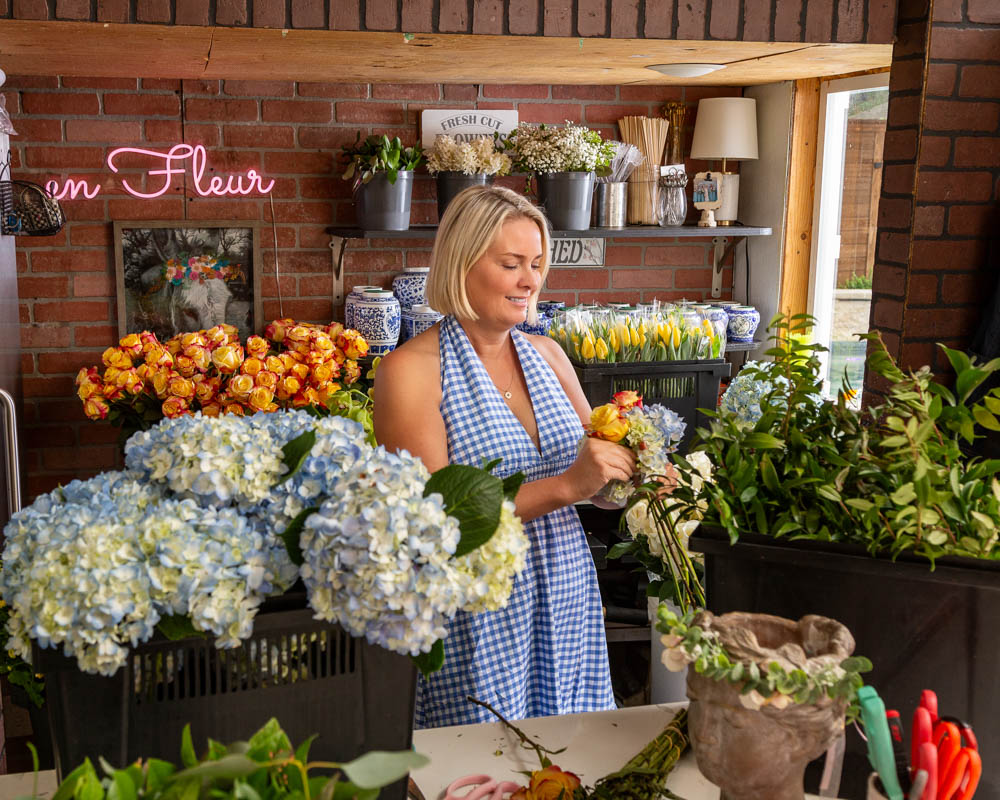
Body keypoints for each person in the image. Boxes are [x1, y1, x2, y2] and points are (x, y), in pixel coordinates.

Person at [374, 186, 636, 728]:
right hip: (477, 609)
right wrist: (569, 486)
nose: (530, 281)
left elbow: (597, 480)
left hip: (566, 594)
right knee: (485, 770)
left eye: (537, 264)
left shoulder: (549, 354)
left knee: (575, 762)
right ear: (461, 263)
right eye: (511, 263)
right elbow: (436, 518)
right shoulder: (410, 370)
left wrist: (631, 479)